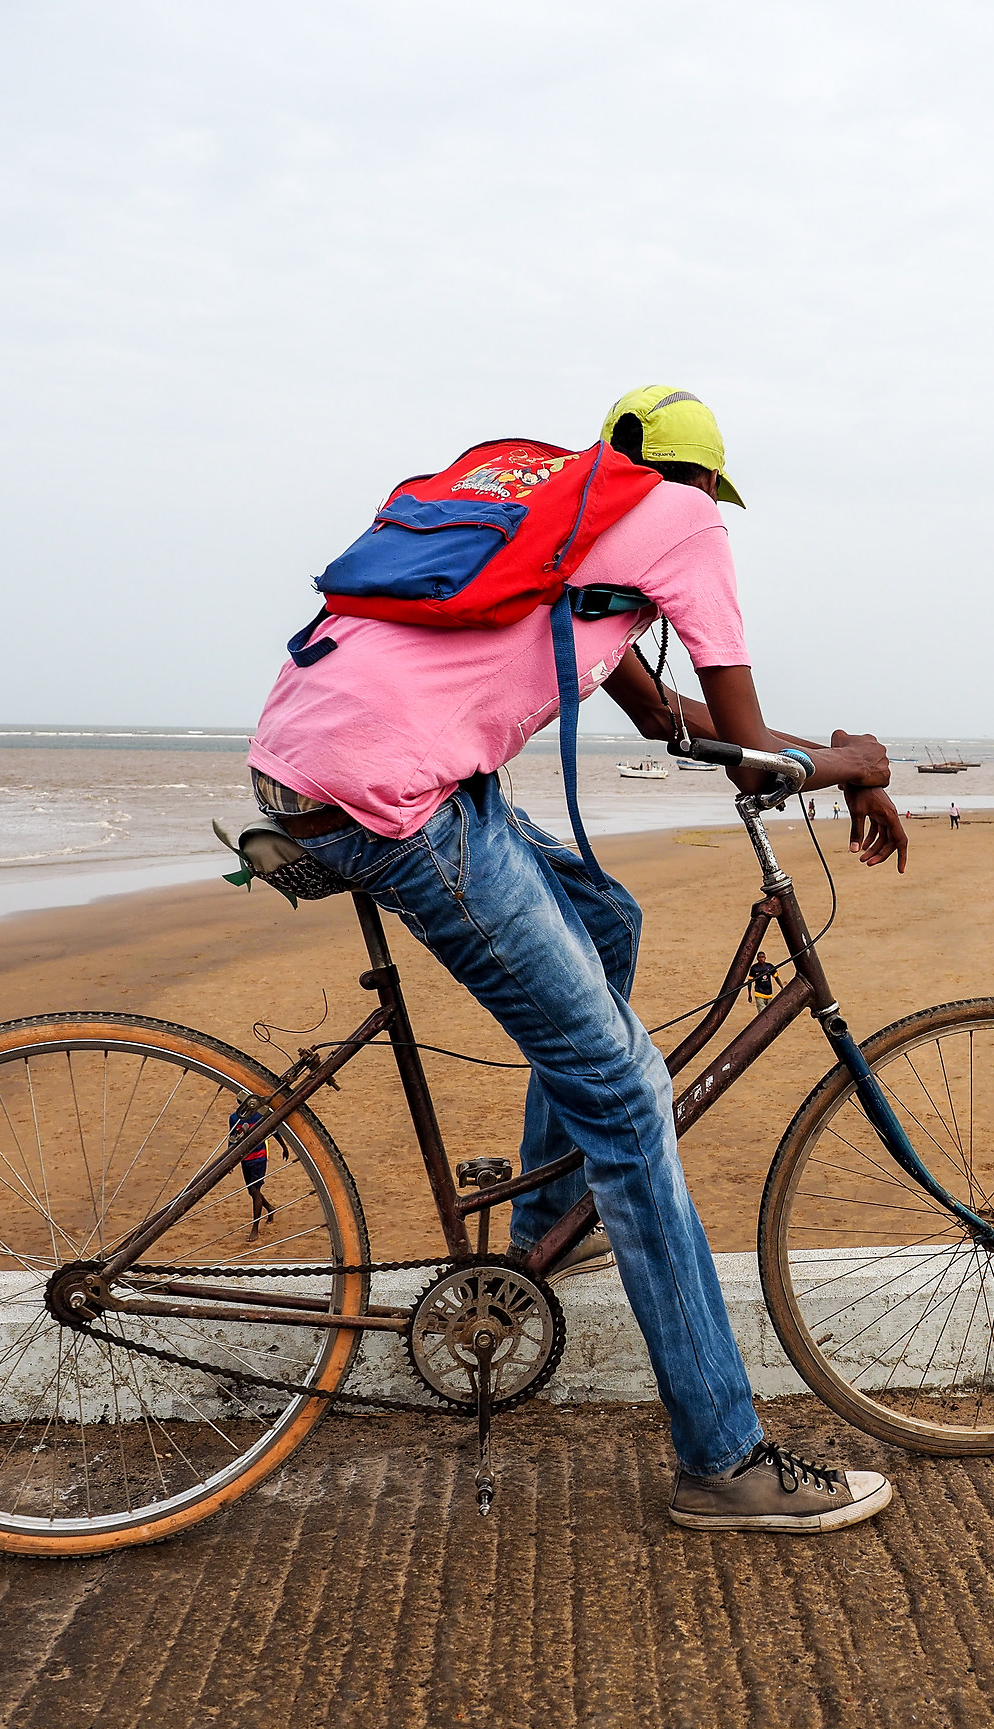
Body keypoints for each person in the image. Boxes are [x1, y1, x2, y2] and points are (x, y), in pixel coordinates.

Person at [247, 385, 905, 1533]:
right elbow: (752, 758)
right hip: (396, 800)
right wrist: (856, 759)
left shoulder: (561, 524)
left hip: (316, 767)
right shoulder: (678, 519)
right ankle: (724, 1460)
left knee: (606, 920)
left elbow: (679, 730)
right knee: (630, 1092)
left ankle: (541, 1229)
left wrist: (817, 755)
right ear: (703, 483)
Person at [228, 1092, 289, 1232]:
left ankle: (255, 1228)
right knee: (251, 1190)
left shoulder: (259, 1116)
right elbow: (232, 1138)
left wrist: (284, 1147)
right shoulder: (234, 1118)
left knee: (255, 1191)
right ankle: (269, 1208)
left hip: (259, 1157)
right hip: (245, 1158)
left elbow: (274, 1131)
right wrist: (230, 1160)